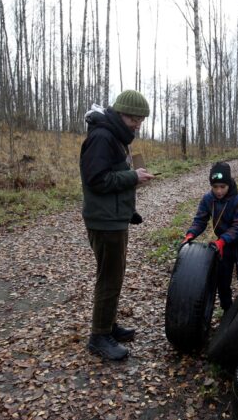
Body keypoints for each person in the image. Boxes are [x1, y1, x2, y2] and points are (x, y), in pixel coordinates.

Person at [80, 89, 155, 361]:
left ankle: (108, 326)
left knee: (115, 275)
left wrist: (132, 180)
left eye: (141, 120)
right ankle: (99, 337)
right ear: (122, 114)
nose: (138, 124)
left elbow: (112, 175)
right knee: (109, 278)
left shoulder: (114, 136)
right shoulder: (102, 137)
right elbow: (97, 180)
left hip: (114, 219)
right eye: (135, 119)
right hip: (104, 222)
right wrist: (132, 177)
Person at [180, 162, 238, 311]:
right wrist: (190, 234)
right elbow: (200, 219)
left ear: (228, 184)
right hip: (222, 245)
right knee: (222, 279)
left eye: (222, 187)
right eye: (215, 187)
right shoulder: (208, 199)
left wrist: (222, 240)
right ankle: (227, 310)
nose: (219, 191)